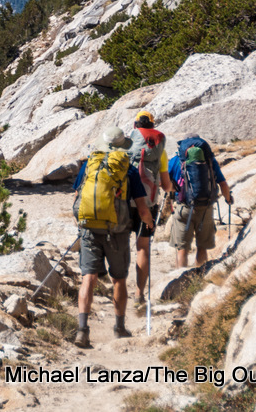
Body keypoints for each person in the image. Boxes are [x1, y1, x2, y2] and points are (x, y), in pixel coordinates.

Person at [72, 125, 154, 348]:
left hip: (89, 229)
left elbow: (77, 198)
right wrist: (148, 223)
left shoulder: (89, 165)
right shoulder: (127, 170)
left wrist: (82, 228)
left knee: (88, 277)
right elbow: (142, 207)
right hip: (116, 232)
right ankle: (119, 327)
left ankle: (82, 330)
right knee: (118, 279)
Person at [127, 110, 175, 306]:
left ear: (135, 126)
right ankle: (139, 294)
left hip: (126, 201)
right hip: (149, 203)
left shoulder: (127, 146)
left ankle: (117, 289)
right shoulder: (160, 152)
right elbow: (165, 185)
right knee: (143, 249)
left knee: (120, 245)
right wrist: (171, 190)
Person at [167, 134, 233, 268]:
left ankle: (181, 281)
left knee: (182, 249)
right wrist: (228, 199)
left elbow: (166, 184)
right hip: (205, 208)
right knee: (202, 247)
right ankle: (200, 276)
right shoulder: (210, 161)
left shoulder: (175, 161)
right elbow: (223, 184)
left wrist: (173, 191)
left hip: (183, 208)